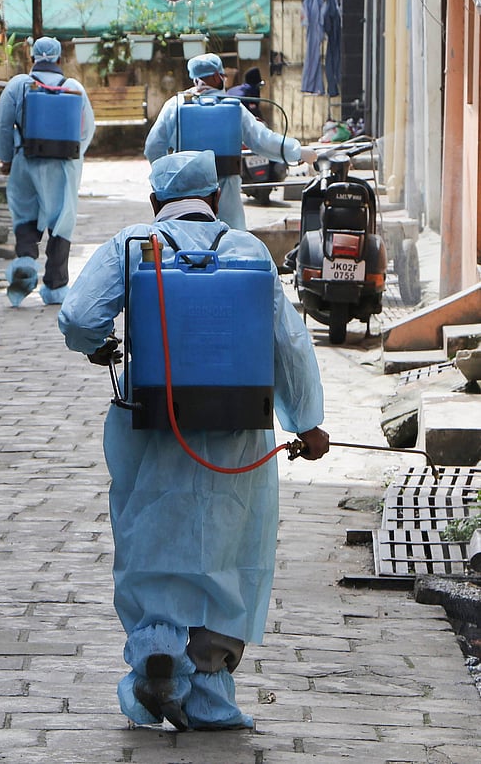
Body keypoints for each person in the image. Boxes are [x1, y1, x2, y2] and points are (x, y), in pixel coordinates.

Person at [57, 150, 329, 731]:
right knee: (233, 551)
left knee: (148, 534)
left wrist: (102, 348)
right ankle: (211, 693)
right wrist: (306, 421)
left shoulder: (133, 244)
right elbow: (288, 343)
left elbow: (80, 316)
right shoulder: (248, 250)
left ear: (156, 201)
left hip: (152, 422)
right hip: (238, 429)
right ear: (215, 199)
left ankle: (157, 644)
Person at [144, 53, 317, 230]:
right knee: (231, 242)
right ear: (215, 76)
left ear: (195, 78)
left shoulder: (176, 105)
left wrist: (169, 181)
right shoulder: (232, 106)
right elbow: (262, 140)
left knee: (187, 239)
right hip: (226, 192)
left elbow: (153, 148)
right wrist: (298, 152)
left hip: (186, 193)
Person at [0, 36, 95, 306]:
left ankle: (26, 261)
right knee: (62, 220)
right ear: (60, 59)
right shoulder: (74, 87)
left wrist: (6, 158)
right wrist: (72, 157)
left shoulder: (18, 85)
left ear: (32, 58)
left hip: (25, 160)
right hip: (63, 167)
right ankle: (55, 284)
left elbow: (3, 126)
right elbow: (86, 130)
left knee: (25, 212)